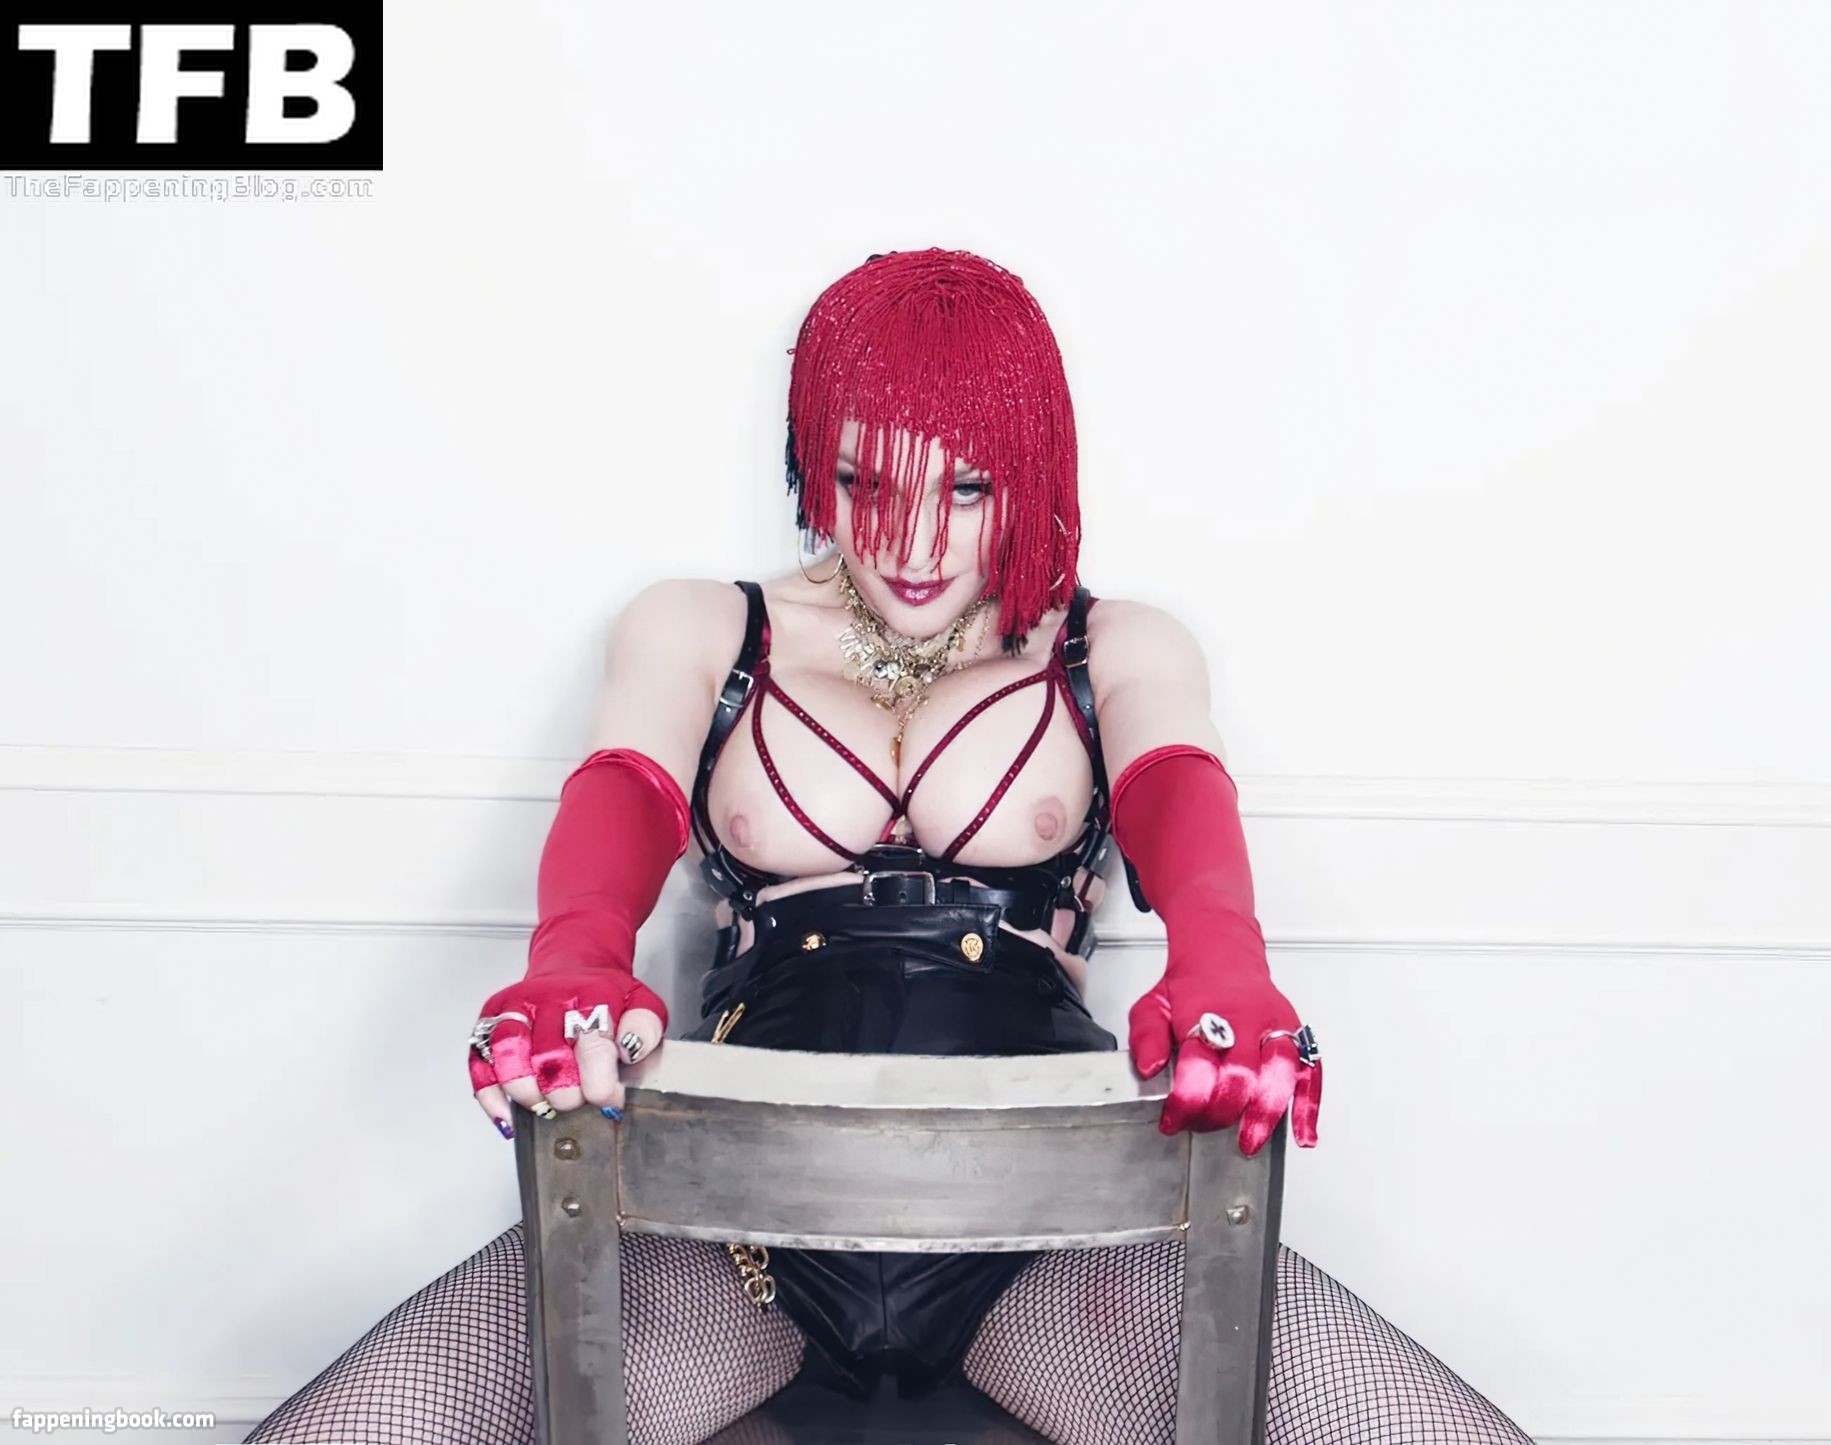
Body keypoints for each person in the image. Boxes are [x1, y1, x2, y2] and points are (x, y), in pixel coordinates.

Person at [244, 249, 1532, 1445]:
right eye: (866, 484)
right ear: (814, 459)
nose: (913, 545)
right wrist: (573, 959)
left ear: (1033, 466)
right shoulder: (700, 626)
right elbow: (623, 788)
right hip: (736, 1232)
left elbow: (1177, 788)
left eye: (966, 489)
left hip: (1045, 1238)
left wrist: (1226, 967)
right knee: (357, 1426)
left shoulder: (1118, 646)